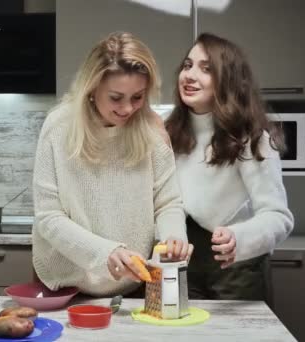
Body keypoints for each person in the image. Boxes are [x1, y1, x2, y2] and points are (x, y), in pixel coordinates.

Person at [31, 31, 192, 297]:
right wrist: (106, 253)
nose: (128, 109)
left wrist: (173, 237)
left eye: (138, 97)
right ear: (92, 87)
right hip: (65, 286)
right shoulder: (59, 127)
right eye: (116, 98)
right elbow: (48, 217)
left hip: (133, 285)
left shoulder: (152, 130)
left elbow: (167, 203)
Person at [164, 33, 294, 300]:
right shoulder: (169, 131)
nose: (190, 75)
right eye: (188, 66)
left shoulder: (252, 139)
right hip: (184, 264)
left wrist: (239, 238)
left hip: (237, 267)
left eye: (206, 69)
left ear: (228, 80)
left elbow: (279, 217)